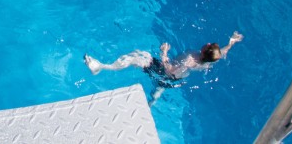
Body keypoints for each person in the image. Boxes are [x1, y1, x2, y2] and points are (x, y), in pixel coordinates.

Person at [85, 33, 243, 101]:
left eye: (209, 45)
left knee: (139, 56)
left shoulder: (190, 59)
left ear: (204, 52)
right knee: (157, 92)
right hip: (173, 80)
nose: (208, 43)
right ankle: (151, 102)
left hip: (165, 73)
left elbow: (169, 69)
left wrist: (164, 52)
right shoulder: (212, 60)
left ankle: (102, 67)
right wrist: (232, 42)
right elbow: (222, 51)